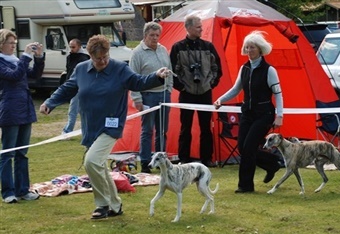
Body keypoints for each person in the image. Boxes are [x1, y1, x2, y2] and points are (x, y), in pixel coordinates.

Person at [39, 34, 169, 219]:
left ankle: (102, 205)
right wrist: (50, 102)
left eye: (105, 56)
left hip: (111, 126)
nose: (102, 61)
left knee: (91, 161)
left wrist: (156, 76)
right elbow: (68, 88)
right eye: (98, 58)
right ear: (90, 56)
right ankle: (115, 206)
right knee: (98, 166)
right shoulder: (81, 69)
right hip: (90, 125)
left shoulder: (119, 68)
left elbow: (138, 82)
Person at [214, 30, 283, 193]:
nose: (249, 50)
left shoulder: (269, 70)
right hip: (247, 113)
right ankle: (272, 163)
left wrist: (279, 115)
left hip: (264, 114)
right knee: (242, 148)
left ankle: (245, 186)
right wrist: (221, 100)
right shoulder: (244, 68)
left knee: (250, 147)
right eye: (247, 47)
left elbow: (278, 94)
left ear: (260, 49)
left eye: (252, 47)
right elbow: (236, 89)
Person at [170, 15, 222, 167]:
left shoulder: (208, 46)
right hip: (186, 93)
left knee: (206, 127)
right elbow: (172, 71)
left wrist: (210, 84)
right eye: (199, 26)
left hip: (205, 93)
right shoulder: (177, 47)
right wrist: (182, 87)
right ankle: (184, 158)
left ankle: (207, 159)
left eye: (201, 26)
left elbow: (217, 69)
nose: (202, 29)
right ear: (189, 28)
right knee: (185, 128)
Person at [0, 29, 45, 203]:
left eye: (14, 43)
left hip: (25, 109)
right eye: (10, 43)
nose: (13, 46)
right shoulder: (3, 63)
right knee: (8, 153)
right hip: (10, 110)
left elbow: (35, 75)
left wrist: (38, 58)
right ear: (1, 44)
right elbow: (14, 76)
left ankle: (23, 190)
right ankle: (8, 192)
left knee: (22, 153)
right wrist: (26, 56)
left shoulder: (16, 60)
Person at [130, 22, 173, 173]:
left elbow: (170, 69)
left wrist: (169, 88)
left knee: (162, 130)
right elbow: (133, 76)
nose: (155, 38)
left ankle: (161, 161)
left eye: (157, 35)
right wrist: (137, 99)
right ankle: (146, 162)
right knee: (147, 130)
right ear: (145, 35)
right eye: (152, 35)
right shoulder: (137, 53)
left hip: (164, 94)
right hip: (147, 96)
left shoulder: (163, 50)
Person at [61, 38, 90, 135]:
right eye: (70, 47)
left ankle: (67, 131)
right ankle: (85, 129)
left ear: (79, 46)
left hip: (80, 86)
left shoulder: (84, 58)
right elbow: (68, 70)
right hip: (72, 85)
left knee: (73, 109)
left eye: (73, 47)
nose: (71, 49)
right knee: (79, 110)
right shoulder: (69, 57)